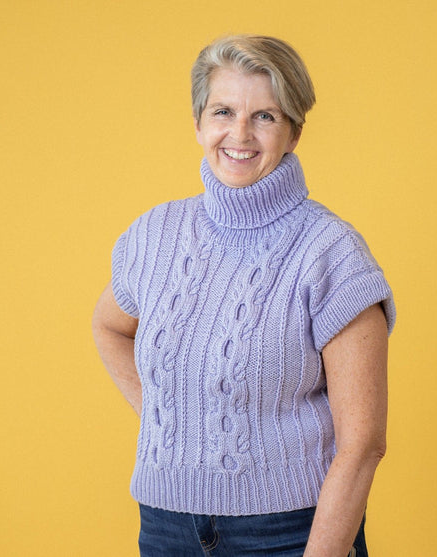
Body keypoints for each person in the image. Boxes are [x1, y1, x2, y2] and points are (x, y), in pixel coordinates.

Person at [92, 34, 395, 557]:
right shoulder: (154, 235)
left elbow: (363, 444)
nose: (240, 134)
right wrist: (174, 421)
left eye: (265, 116)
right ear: (198, 123)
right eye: (223, 111)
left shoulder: (331, 253)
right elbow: (109, 327)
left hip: (290, 532)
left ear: (294, 132)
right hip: (165, 526)